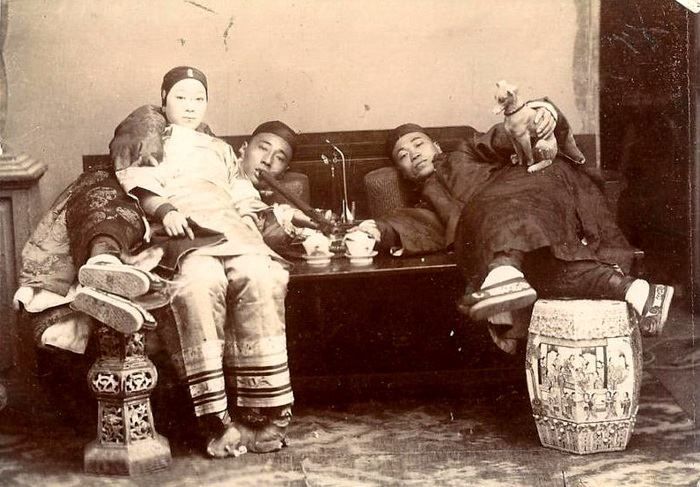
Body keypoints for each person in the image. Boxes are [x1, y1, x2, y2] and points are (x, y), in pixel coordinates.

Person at [15, 66, 315, 458]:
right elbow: (138, 185)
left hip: (231, 229)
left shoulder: (222, 150)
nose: (190, 106)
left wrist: (269, 220)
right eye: (181, 98)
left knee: (262, 276)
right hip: (185, 231)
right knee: (199, 283)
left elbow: (243, 196)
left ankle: (264, 415)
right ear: (164, 99)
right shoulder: (153, 138)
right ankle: (215, 419)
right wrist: (166, 209)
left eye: (198, 99)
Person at [356, 101, 673, 352]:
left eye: (418, 144)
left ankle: (503, 270)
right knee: (539, 268)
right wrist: (376, 230)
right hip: (529, 234)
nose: (413, 154)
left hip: (538, 192)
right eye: (403, 155)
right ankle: (636, 291)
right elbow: (413, 226)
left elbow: (504, 135)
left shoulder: (465, 152)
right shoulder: (429, 205)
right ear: (401, 170)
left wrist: (535, 117)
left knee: (489, 204)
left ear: (436, 147)